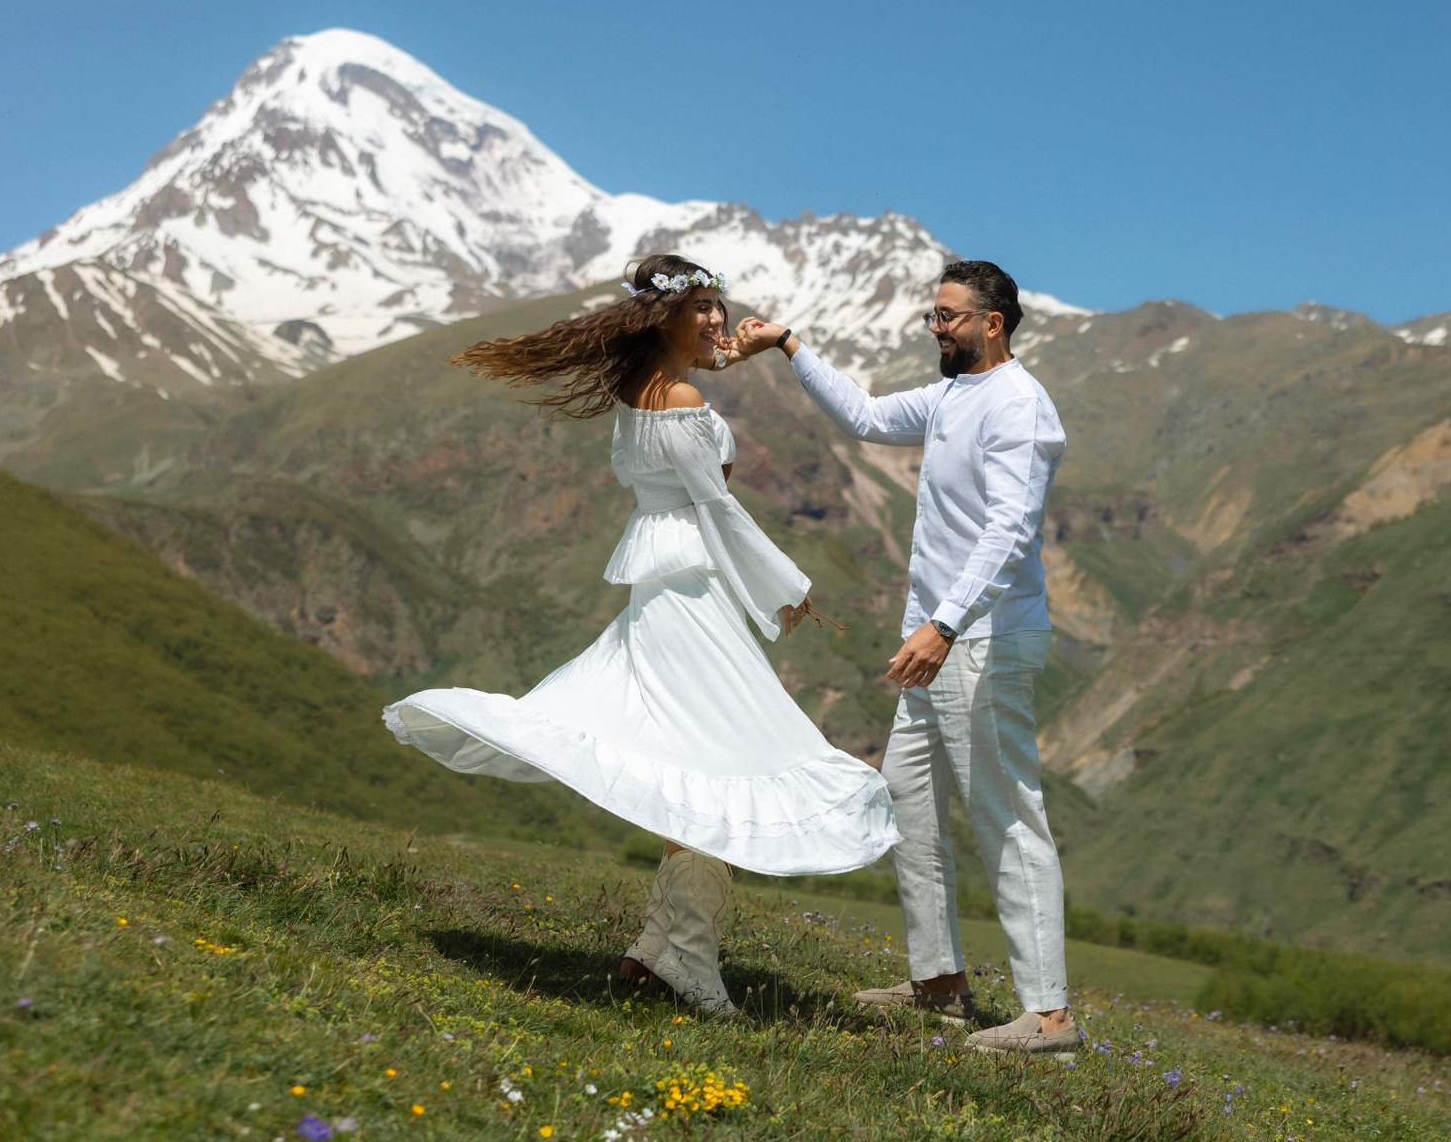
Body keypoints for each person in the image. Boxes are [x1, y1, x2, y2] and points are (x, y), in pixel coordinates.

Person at [382, 254, 900, 1016]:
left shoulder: (642, 387)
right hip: (691, 591)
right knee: (720, 757)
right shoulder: (680, 396)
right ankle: (686, 958)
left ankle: (657, 952)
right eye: (701, 309)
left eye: (718, 306)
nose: (717, 320)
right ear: (665, 317)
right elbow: (716, 505)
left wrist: (737, 352)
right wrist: (786, 585)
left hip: (669, 586)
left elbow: (693, 447)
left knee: (698, 755)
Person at [735, 259, 1080, 1056]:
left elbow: (1010, 531)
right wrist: (789, 344)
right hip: (940, 641)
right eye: (933, 315)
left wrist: (946, 623)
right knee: (908, 802)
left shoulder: (1019, 405)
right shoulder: (954, 395)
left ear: (992, 323)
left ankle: (1051, 1018)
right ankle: (939, 985)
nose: (935, 328)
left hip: (981, 638)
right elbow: (864, 415)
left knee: (1007, 816)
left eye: (948, 316)